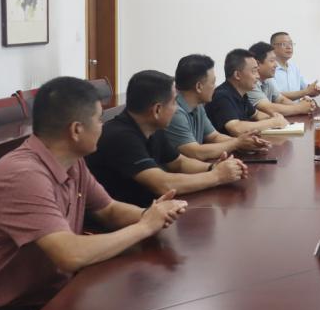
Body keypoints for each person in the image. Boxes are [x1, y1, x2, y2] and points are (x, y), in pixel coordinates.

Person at [0, 77, 187, 310]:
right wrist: (145, 226)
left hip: (54, 291)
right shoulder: (23, 175)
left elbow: (109, 210)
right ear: (76, 130)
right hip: (15, 307)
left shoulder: (73, 162)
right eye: (98, 120)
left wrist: (153, 214)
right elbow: (70, 254)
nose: (102, 126)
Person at [87, 70, 249, 207]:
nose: (176, 108)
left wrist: (213, 167)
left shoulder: (152, 128)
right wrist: (217, 176)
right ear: (157, 110)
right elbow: (162, 184)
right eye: (173, 102)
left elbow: (179, 162)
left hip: (146, 211)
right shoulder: (121, 137)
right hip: (115, 224)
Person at [165, 54, 271, 161]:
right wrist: (236, 143)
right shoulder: (175, 111)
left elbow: (214, 136)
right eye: (213, 82)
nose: (215, 87)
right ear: (199, 87)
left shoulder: (198, 105)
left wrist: (246, 143)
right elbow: (195, 152)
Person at [205, 49, 289, 137]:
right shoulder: (221, 96)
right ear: (237, 75)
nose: (258, 76)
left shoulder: (241, 94)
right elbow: (236, 128)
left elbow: (256, 114)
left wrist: (274, 117)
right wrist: (272, 123)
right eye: (254, 71)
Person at [248, 42, 317, 116]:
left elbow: (280, 99)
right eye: (272, 61)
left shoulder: (267, 79)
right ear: (257, 64)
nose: (276, 65)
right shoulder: (249, 82)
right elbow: (267, 108)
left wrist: (304, 106)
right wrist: (300, 108)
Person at [270, 31, 320, 100]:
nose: (289, 47)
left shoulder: (293, 67)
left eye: (290, 43)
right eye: (284, 44)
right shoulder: (269, 69)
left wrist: (314, 90)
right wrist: (306, 92)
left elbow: (305, 87)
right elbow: (275, 95)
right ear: (272, 47)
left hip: (298, 106)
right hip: (279, 107)